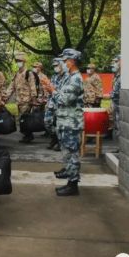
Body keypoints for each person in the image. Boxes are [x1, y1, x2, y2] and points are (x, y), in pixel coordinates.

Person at [41, 48, 84, 196]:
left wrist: (52, 89)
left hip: (71, 123)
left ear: (71, 62)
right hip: (64, 121)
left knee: (72, 154)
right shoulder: (69, 77)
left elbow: (64, 99)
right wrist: (50, 89)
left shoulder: (76, 79)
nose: (63, 63)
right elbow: (59, 95)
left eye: (65, 60)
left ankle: (73, 185)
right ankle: (69, 173)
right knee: (67, 152)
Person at [5, 52, 40, 143]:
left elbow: (32, 87)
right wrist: (5, 97)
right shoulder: (17, 74)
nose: (18, 62)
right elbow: (11, 87)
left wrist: (33, 99)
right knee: (23, 119)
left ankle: (28, 135)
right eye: (17, 61)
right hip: (19, 101)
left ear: (24, 62)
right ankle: (27, 135)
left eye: (20, 61)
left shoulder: (29, 73)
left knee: (24, 118)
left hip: (26, 101)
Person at [44, 58, 67, 151]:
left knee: (59, 125)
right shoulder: (54, 76)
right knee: (47, 122)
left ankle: (60, 142)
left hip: (61, 104)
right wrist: (47, 102)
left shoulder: (67, 77)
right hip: (52, 103)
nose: (55, 67)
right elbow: (50, 89)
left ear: (61, 64)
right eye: (54, 66)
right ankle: (54, 138)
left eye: (57, 65)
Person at [111, 55, 122, 138]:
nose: (114, 64)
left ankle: (120, 147)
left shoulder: (123, 76)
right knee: (115, 123)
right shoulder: (116, 76)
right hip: (115, 103)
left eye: (116, 61)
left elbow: (119, 92)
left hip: (119, 104)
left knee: (119, 124)